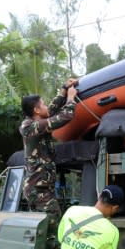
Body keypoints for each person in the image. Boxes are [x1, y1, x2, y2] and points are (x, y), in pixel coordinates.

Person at [20, 78, 78, 222]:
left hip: (42, 188)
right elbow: (65, 116)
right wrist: (70, 98)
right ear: (36, 110)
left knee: (47, 226)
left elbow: (50, 110)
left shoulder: (36, 121)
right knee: (52, 226)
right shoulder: (29, 127)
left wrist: (63, 89)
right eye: (43, 104)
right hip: (38, 190)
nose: (47, 106)